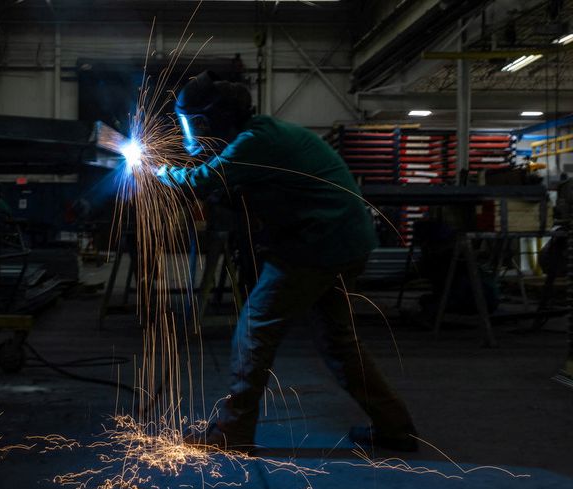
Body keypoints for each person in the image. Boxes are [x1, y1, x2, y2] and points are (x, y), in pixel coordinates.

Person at [156, 71, 418, 452]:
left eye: (188, 125)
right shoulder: (259, 135)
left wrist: (158, 172)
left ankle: (233, 431)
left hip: (319, 243)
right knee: (338, 342)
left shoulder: (253, 141)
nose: (186, 133)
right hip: (342, 240)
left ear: (207, 122)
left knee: (254, 329)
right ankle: (394, 426)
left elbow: (198, 181)